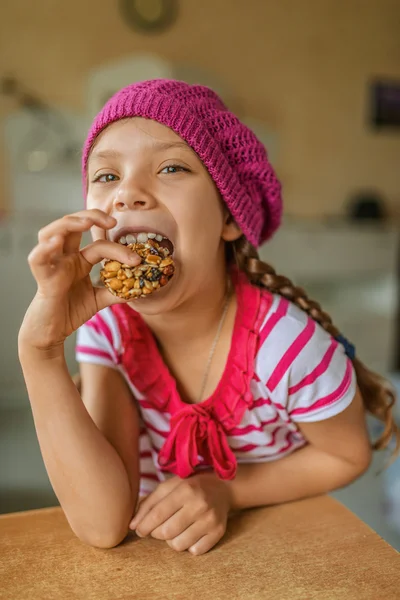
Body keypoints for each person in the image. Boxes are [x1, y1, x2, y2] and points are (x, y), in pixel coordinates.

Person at [18, 79, 399, 555]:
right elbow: (102, 525)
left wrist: (227, 490)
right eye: (107, 176)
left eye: (171, 167)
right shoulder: (109, 329)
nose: (128, 194)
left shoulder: (286, 347)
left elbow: (347, 455)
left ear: (228, 217)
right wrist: (40, 352)